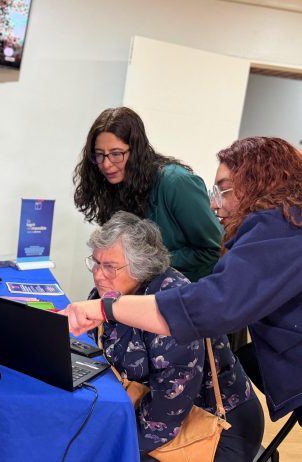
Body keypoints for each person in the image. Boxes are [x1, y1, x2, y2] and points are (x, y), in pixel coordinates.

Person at [63, 137, 302, 424]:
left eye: (223, 190)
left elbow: (214, 305)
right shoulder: (287, 226)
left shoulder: (281, 226)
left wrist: (106, 308)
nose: (214, 204)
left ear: (259, 183)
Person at [83, 211, 263, 461]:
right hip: (146, 410)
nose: (97, 274)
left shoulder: (172, 309)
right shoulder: (109, 294)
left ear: (141, 267)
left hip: (213, 429)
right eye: (95, 262)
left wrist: (107, 443)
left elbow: (164, 418)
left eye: (110, 267)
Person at [73, 107, 223, 282]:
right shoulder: (113, 183)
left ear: (136, 151)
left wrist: (147, 262)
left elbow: (214, 249)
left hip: (184, 291)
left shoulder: (175, 182)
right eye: (99, 155)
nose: (106, 164)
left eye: (116, 154)